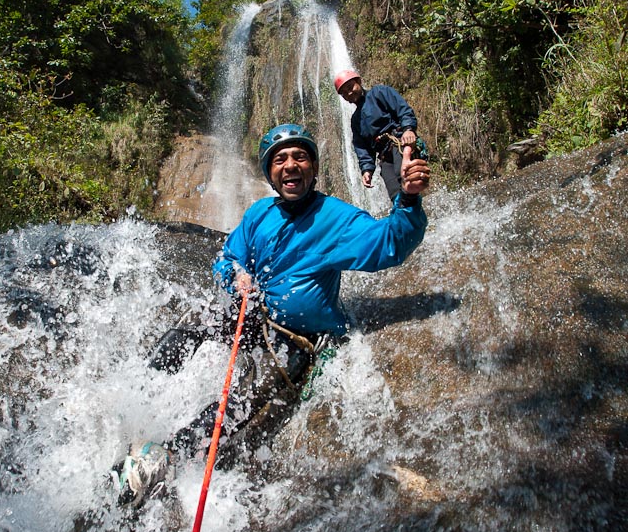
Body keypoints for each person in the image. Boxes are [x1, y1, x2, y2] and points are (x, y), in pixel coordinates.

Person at [117, 122, 430, 504]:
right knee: (191, 324)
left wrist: (408, 198)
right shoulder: (259, 214)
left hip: (297, 339)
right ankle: (136, 401)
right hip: (256, 314)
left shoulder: (335, 218)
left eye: (300, 157)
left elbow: (389, 243)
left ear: (314, 168)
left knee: (248, 394)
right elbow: (228, 257)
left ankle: (168, 457)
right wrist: (236, 275)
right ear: (269, 172)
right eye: (280, 159)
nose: (290, 165)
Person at [334, 69, 427, 201]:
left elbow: (403, 110)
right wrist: (367, 170)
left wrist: (408, 129)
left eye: (350, 87)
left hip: (399, 142)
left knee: (404, 176)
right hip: (384, 154)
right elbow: (362, 147)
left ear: (359, 82)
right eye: (344, 93)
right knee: (394, 192)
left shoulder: (379, 93)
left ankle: (416, 207)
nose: (349, 93)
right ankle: (405, 212)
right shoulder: (355, 120)